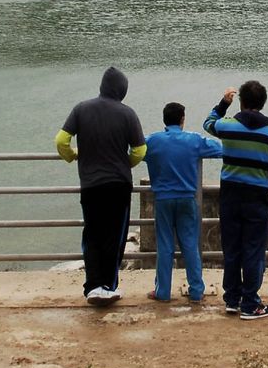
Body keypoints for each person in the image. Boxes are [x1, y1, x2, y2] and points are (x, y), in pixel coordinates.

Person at [56, 67, 147, 305]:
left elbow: (61, 141)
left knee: (93, 234)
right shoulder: (128, 114)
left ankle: (92, 286)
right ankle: (109, 285)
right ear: (122, 90)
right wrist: (126, 162)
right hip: (118, 184)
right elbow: (139, 150)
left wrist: (72, 155)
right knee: (115, 236)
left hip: (90, 184)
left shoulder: (81, 109)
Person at [203, 80, 268, 320]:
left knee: (231, 247)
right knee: (253, 249)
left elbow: (208, 123)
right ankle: (251, 303)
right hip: (256, 196)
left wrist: (223, 103)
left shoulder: (228, 126)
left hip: (230, 193)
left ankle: (232, 298)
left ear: (241, 102)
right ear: (262, 103)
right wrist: (265, 181)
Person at [142, 102, 222, 304]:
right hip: (187, 199)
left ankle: (162, 292)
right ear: (182, 119)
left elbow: (134, 151)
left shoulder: (152, 141)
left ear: (164, 120)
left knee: (165, 245)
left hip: (163, 199)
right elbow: (219, 149)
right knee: (190, 245)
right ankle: (196, 291)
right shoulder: (193, 140)